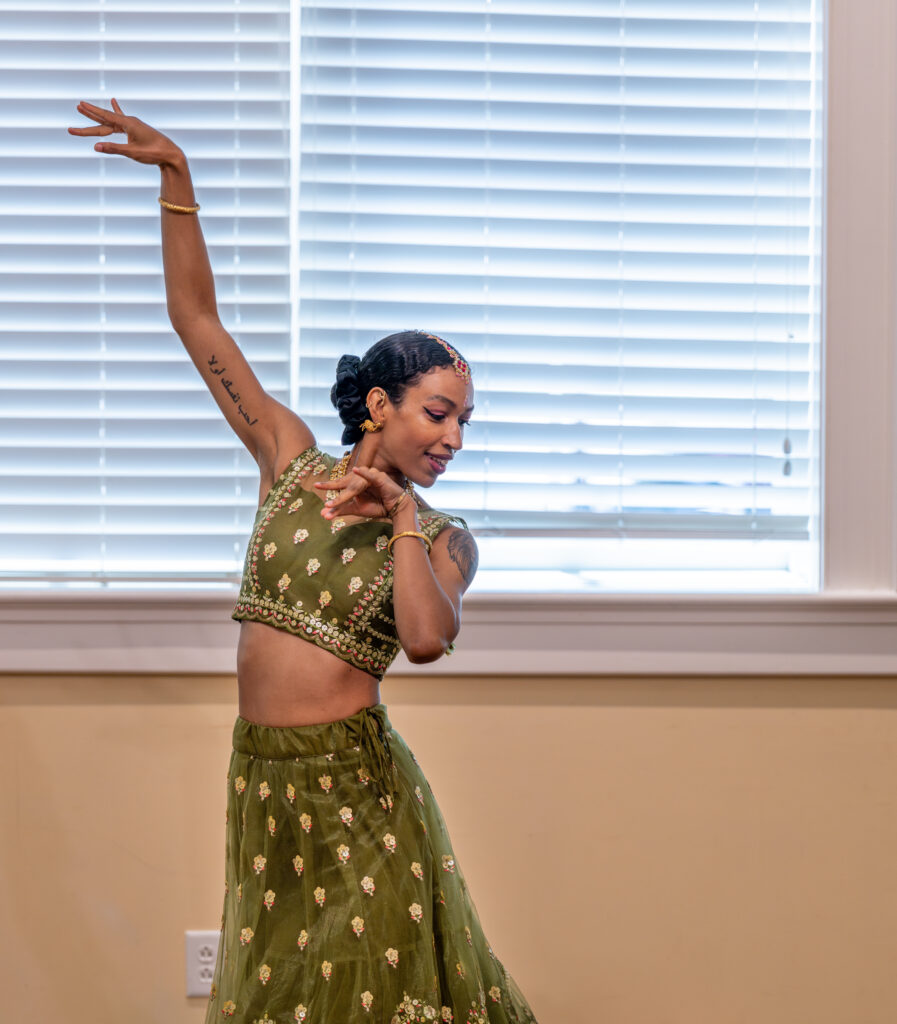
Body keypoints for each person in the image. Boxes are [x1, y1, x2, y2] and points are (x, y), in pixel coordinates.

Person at [70, 100, 538, 1024]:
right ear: (378, 403)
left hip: (358, 787)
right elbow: (195, 320)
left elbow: (425, 640)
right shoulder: (287, 462)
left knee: (377, 995)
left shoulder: (445, 536)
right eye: (436, 413)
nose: (452, 438)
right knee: (283, 996)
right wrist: (179, 184)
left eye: (464, 424)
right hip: (262, 781)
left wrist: (403, 513)